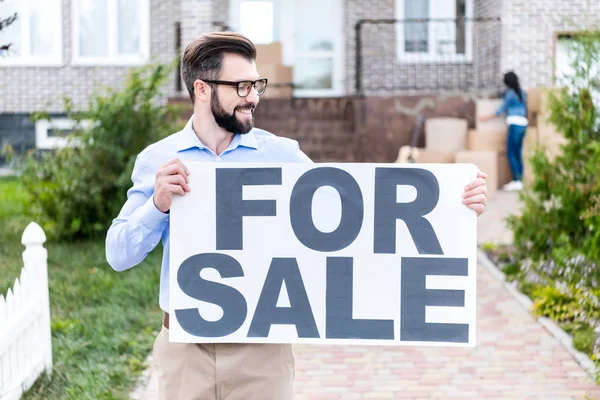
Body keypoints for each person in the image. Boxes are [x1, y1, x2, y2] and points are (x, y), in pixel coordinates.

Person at [105, 31, 490, 400]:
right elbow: (118, 255)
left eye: (257, 85)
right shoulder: (158, 160)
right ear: (202, 89)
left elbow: (361, 217)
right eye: (241, 87)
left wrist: (452, 203)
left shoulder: (282, 156)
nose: (253, 97)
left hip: (261, 355)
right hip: (184, 351)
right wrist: (156, 206)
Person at [479, 71, 528, 191]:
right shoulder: (523, 93)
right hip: (523, 124)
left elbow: (501, 110)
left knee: (511, 152)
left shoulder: (510, 94)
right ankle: (520, 180)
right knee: (518, 153)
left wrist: (486, 117)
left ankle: (517, 181)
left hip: (515, 125)